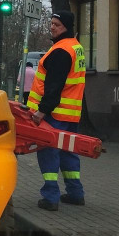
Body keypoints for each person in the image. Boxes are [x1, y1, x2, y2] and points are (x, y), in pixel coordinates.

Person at [25, 11, 87, 211]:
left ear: (66, 27)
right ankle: (75, 193)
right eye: (51, 23)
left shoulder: (60, 51)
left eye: (57, 24)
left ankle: (50, 197)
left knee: (48, 152)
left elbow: (54, 86)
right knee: (69, 151)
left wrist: (42, 111)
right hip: (70, 114)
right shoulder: (76, 48)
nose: (52, 27)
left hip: (54, 114)